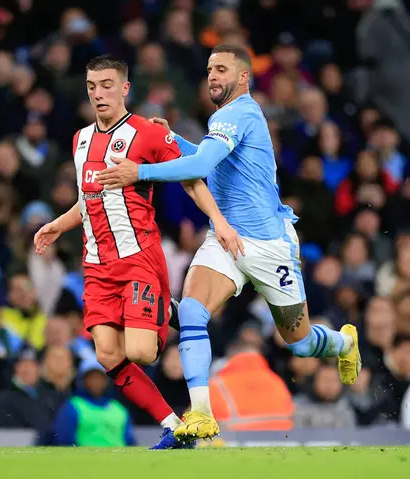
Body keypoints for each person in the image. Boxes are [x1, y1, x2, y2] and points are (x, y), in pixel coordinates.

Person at [97, 44, 361, 441]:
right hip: (225, 237)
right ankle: (201, 414)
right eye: (208, 70)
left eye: (221, 69)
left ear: (243, 77)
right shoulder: (224, 119)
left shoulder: (241, 113)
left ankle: (344, 342)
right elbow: (208, 160)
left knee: (300, 343)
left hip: (269, 244)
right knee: (190, 310)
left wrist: (142, 172)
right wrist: (173, 139)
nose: (213, 76)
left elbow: (201, 167)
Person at [34, 54, 225, 449]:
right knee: (107, 355)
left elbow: (191, 178)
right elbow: (89, 199)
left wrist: (218, 222)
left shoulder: (148, 133)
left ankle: (170, 309)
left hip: (137, 257)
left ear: (124, 88)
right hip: (96, 265)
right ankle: (174, 425)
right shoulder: (80, 139)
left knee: (140, 352)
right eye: (91, 87)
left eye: (106, 85)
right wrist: (58, 223)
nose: (98, 94)